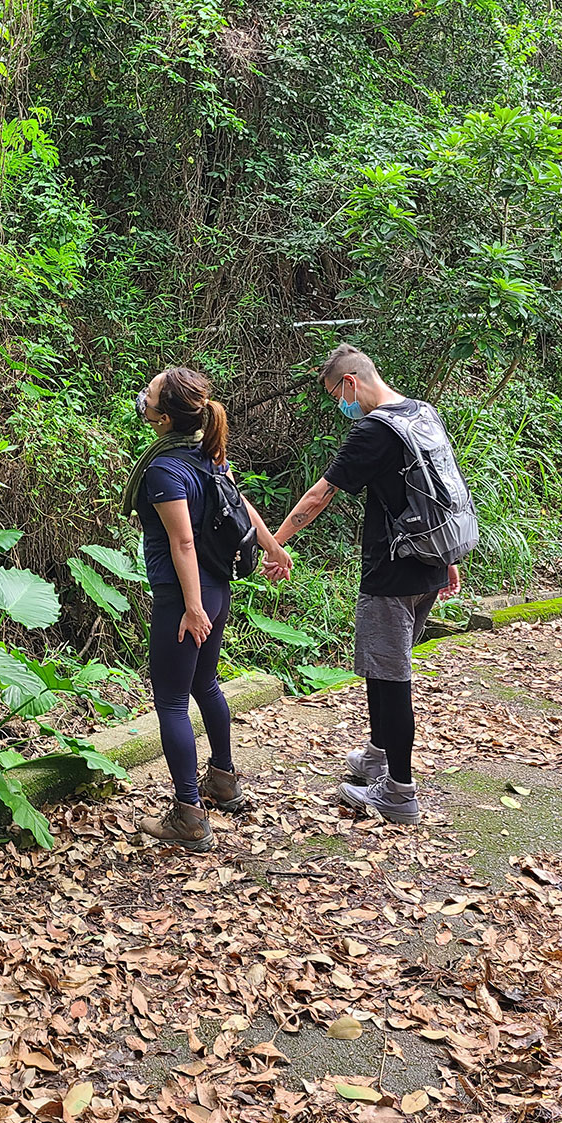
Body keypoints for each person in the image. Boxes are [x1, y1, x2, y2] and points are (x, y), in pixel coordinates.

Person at [271, 344, 462, 824]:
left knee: (390, 678)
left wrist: (274, 544)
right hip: (429, 564)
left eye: (337, 394)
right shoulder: (421, 413)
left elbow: (319, 496)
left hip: (393, 573)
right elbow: (448, 486)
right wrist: (453, 557)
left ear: (351, 383)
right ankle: (377, 755)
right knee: (387, 668)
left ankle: (399, 790)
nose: (341, 405)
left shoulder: (373, 430)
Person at [122, 367, 293, 852]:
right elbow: (241, 505)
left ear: (163, 415)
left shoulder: (164, 469)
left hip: (186, 598)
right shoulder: (207, 452)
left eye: (150, 394)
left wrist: (191, 608)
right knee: (206, 684)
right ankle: (223, 781)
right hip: (217, 591)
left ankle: (189, 816)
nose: (144, 398)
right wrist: (273, 547)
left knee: (172, 701)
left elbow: (183, 543)